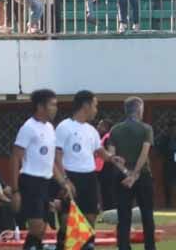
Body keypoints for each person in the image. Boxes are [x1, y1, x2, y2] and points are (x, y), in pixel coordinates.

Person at [55, 91, 120, 250]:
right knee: (67, 220)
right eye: (95, 105)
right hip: (70, 176)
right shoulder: (64, 126)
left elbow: (100, 152)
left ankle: (87, 245)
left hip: (89, 178)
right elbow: (56, 156)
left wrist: (112, 157)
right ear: (85, 105)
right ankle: (62, 244)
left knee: (90, 217)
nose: (96, 110)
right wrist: (65, 180)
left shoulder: (91, 130)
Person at [10, 89, 73, 250]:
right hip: (31, 180)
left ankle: (61, 244)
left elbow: (50, 160)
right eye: (52, 105)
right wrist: (15, 191)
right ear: (40, 106)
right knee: (37, 227)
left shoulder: (50, 128)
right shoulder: (28, 128)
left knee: (68, 207)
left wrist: (63, 182)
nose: (55, 108)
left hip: (48, 180)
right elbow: (15, 157)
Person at [107, 97, 156, 250]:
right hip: (143, 176)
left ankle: (123, 247)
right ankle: (150, 247)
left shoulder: (115, 129)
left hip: (121, 177)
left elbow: (112, 156)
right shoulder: (146, 129)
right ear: (139, 109)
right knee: (147, 214)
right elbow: (144, 153)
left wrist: (126, 173)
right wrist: (134, 174)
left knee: (123, 216)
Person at [155, 120, 176, 208]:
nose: (175, 130)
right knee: (168, 184)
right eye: (173, 128)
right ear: (169, 129)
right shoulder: (164, 138)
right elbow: (160, 150)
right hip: (168, 163)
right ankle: (168, 203)